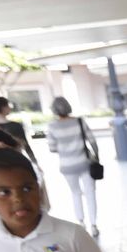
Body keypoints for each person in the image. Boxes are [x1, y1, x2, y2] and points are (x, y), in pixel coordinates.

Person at [44, 97, 99, 237]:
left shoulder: (52, 126)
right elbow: (92, 140)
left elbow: (52, 148)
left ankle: (81, 222)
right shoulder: (79, 121)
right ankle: (94, 225)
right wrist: (96, 155)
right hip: (84, 162)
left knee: (75, 193)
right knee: (90, 192)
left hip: (67, 166)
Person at [0, 97, 36, 165]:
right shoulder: (15, 126)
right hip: (15, 161)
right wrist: (35, 162)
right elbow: (26, 145)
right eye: (8, 105)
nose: (10, 108)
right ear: (3, 108)